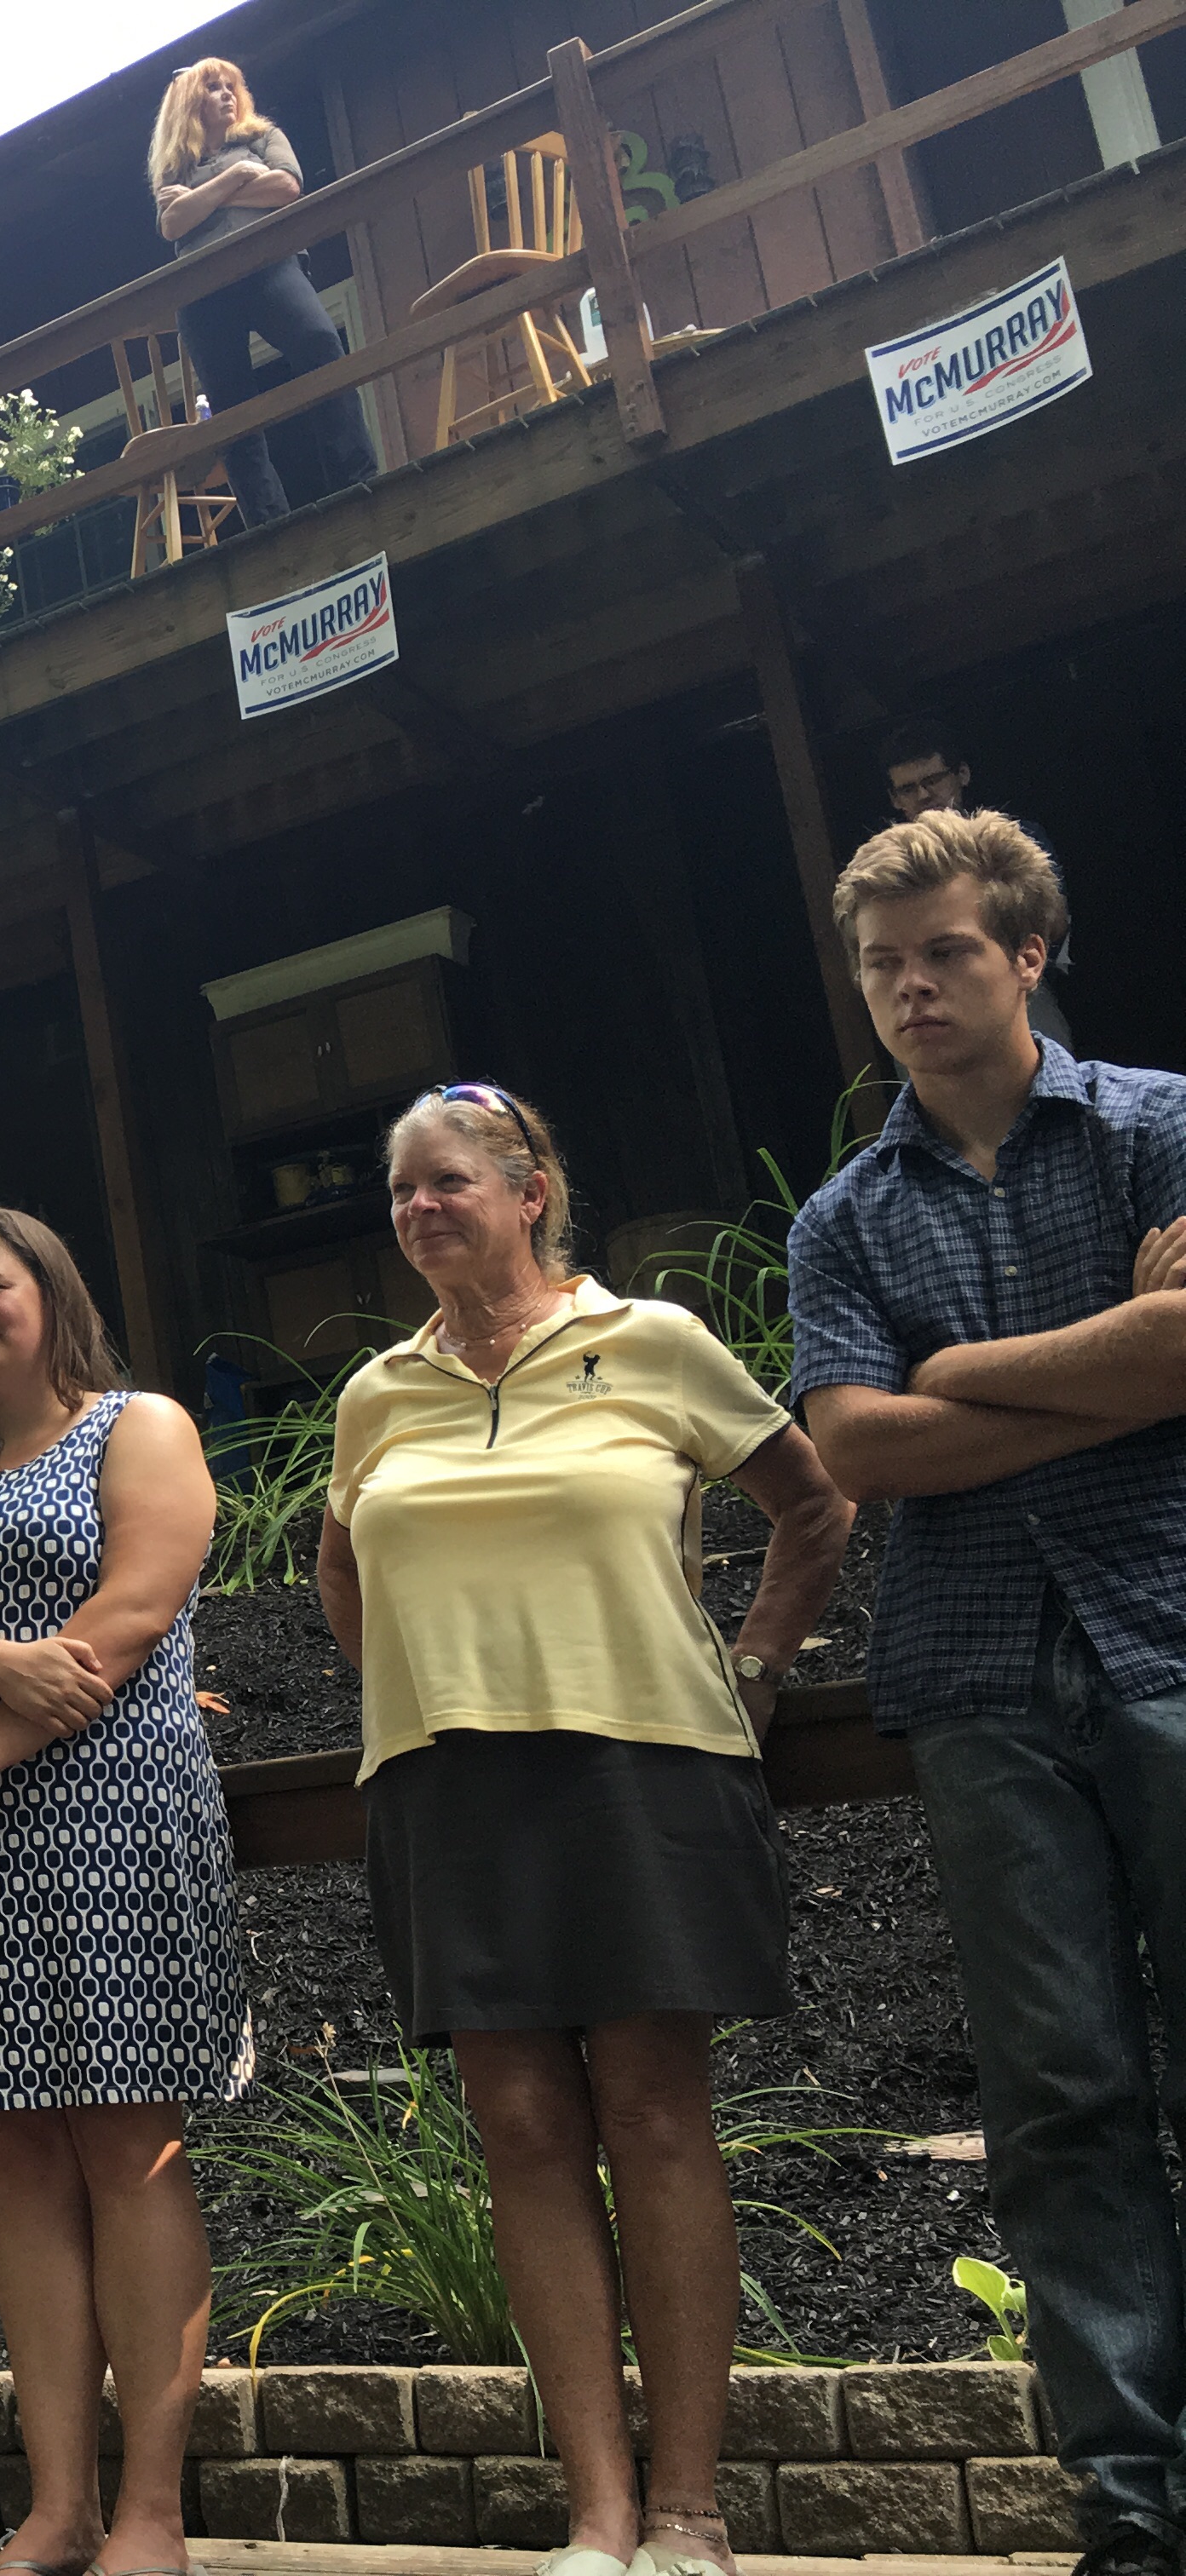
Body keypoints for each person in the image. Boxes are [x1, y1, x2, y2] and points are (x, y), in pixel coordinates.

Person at [317, 1084, 848, 2576]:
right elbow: (341, 1565)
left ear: (531, 1187)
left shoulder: (653, 1340)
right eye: (403, 1188)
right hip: (444, 1777)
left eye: (451, 1180)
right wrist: (411, 1676)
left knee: (654, 2110)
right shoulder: (378, 1390)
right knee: (523, 2126)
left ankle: (688, 2507)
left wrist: (752, 1665)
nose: (422, 1206)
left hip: (644, 1760)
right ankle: (597, 2516)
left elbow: (810, 1505)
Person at [786, 810, 1186, 2576]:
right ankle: (1130, 2499)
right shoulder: (844, 1219)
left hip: (1175, 1634)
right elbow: (855, 1442)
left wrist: (963, 1376)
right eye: (884, 963)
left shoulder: (1164, 1126)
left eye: (945, 950)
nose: (912, 987)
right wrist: (1127, 1362)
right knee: (1063, 2097)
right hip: (976, 1687)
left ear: (1030, 953)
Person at [0, 1210, 247, 2576]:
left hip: (115, 1806)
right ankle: (60, 2506)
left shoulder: (139, 1427)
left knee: (127, 2144)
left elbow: (135, 1612)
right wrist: (1, 1670)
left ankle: (152, 2514)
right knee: (20, 2154)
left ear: (48, 1293)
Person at [147, 56, 380, 535]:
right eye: (213, 88)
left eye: (231, 86)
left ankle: (357, 482)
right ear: (191, 103)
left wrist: (204, 198)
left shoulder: (263, 138)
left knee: (321, 346)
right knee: (233, 408)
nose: (227, 94)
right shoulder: (174, 163)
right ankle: (267, 524)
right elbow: (171, 224)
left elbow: (287, 187)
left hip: (271, 265)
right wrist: (238, 179)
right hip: (204, 292)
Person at [878, 721, 1072, 1044]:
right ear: (895, 799)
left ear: (962, 775)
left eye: (933, 780)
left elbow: (1055, 921)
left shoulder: (1017, 839)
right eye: (908, 788)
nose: (924, 795)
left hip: (1017, 989)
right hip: (925, 1001)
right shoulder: (885, 865)